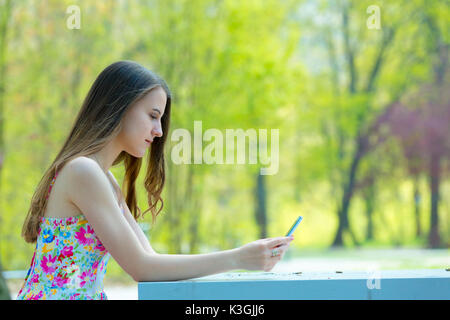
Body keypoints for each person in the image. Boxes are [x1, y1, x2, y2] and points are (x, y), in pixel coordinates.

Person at [16, 60, 293, 300]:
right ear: (120, 107)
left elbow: (151, 260)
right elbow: (141, 267)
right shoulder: (83, 172)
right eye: (152, 116)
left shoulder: (104, 178)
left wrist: (243, 256)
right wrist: (239, 258)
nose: (159, 131)